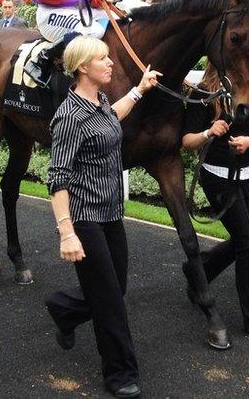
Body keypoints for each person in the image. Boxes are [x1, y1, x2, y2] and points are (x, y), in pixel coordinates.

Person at [45, 36, 160, 399]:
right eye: (103, 59)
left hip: (111, 212)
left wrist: (140, 90)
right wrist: (67, 233)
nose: (110, 63)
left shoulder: (100, 101)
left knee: (115, 287)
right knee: (110, 300)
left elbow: (113, 118)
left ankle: (64, 308)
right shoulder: (69, 116)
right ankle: (119, 372)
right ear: (82, 67)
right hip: (83, 217)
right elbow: (57, 178)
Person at [181, 64, 249, 343]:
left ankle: (198, 269)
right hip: (217, 177)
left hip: (248, 175)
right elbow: (187, 141)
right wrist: (209, 132)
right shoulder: (203, 93)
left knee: (245, 240)